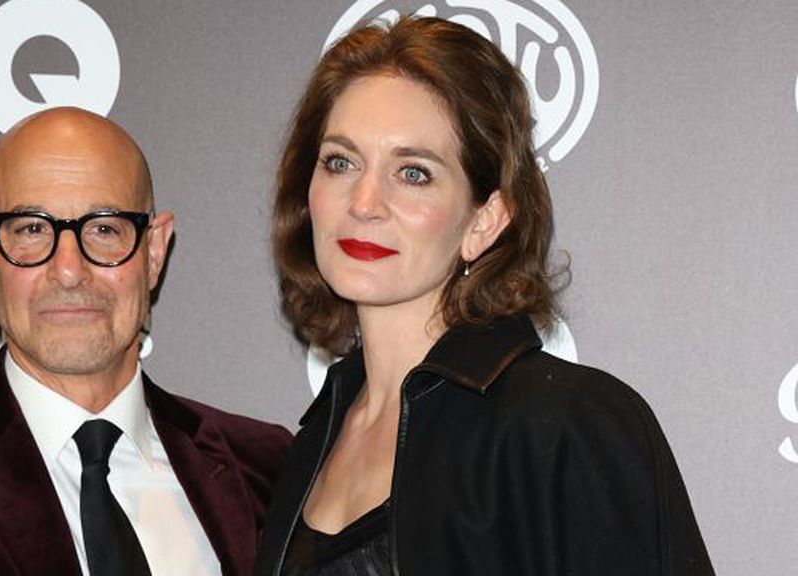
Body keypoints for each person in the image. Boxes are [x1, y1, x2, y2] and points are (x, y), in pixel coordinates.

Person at [254, 16, 714, 576]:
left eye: (414, 173)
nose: (364, 201)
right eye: (340, 162)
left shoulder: (568, 426)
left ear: (485, 219)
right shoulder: (313, 439)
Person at [0, 107, 292, 576]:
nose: (68, 271)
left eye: (105, 229)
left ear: (154, 251)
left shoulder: (266, 468)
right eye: (31, 230)